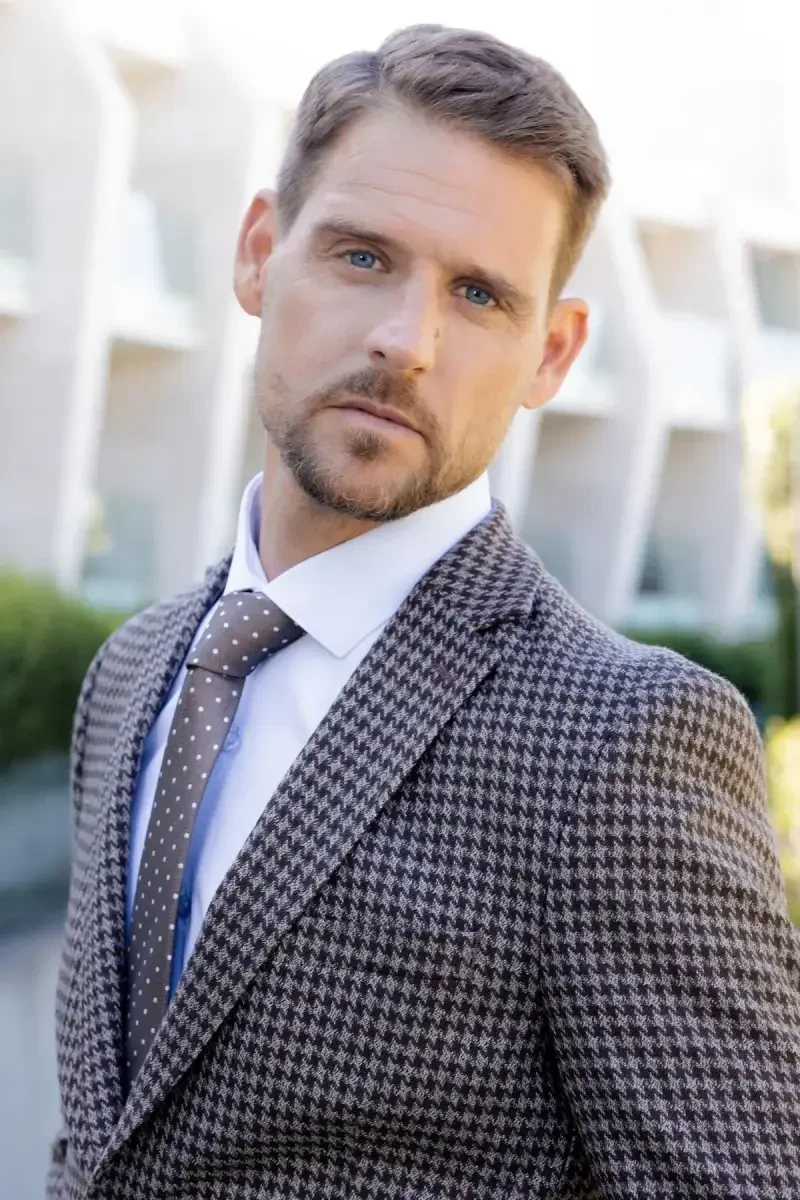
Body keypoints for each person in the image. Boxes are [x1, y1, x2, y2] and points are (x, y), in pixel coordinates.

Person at [48, 22, 800, 1200]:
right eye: (361, 257)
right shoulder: (132, 672)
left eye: (479, 294)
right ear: (258, 254)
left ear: (550, 354)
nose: (406, 342)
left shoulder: (623, 741)